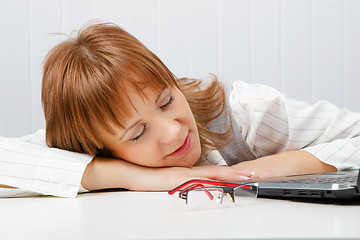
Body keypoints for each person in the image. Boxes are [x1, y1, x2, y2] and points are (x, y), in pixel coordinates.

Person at [1, 22, 359, 198]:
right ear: (97, 147)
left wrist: (284, 165)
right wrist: (132, 177)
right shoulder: (81, 149)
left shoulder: (244, 114)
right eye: (138, 133)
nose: (173, 131)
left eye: (167, 100)